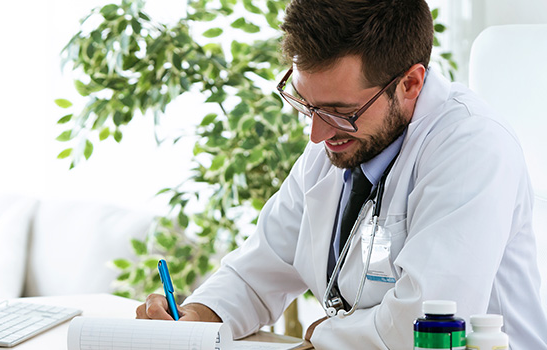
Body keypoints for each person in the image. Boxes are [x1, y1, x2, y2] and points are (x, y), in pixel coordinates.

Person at [136, 0, 547, 348]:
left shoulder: (473, 147)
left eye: (339, 112)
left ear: (410, 83)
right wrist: (197, 317)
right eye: (305, 104)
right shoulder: (337, 145)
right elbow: (256, 273)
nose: (317, 133)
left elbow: (427, 320)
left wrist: (326, 335)